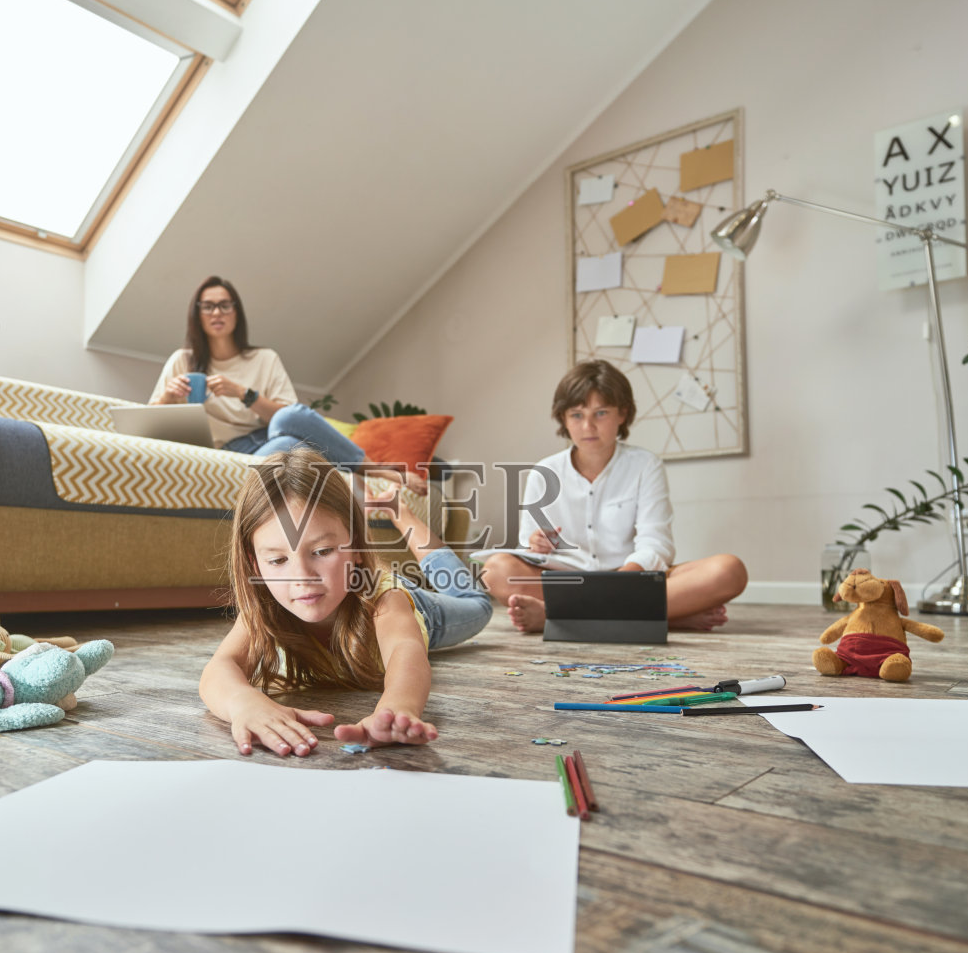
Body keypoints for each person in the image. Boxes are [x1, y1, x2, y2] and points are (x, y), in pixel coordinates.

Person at [199, 448, 493, 757]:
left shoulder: (386, 599)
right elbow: (220, 667)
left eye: (323, 551)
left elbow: (405, 651)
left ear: (354, 544)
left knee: (478, 604)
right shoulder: (265, 606)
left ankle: (401, 514)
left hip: (406, 603)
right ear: (255, 564)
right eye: (278, 560)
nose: (302, 577)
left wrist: (397, 709)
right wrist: (242, 702)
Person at [478, 359, 747, 632]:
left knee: (728, 570)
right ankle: (663, 617)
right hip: (568, 583)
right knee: (496, 569)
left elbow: (656, 544)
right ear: (563, 418)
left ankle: (559, 617)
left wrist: (618, 584)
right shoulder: (544, 472)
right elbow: (527, 549)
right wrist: (535, 546)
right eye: (577, 415)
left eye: (601, 413)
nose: (588, 426)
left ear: (622, 414)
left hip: (632, 579)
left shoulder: (645, 465)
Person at [149, 276, 364, 469]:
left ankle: (370, 468)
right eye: (208, 306)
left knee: (289, 422)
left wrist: (243, 393)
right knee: (290, 447)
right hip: (223, 456)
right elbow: (146, 427)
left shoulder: (265, 358)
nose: (216, 312)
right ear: (197, 314)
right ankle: (363, 472)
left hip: (264, 441)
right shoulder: (182, 360)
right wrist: (168, 397)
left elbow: (289, 418)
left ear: (236, 312)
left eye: (225, 305)